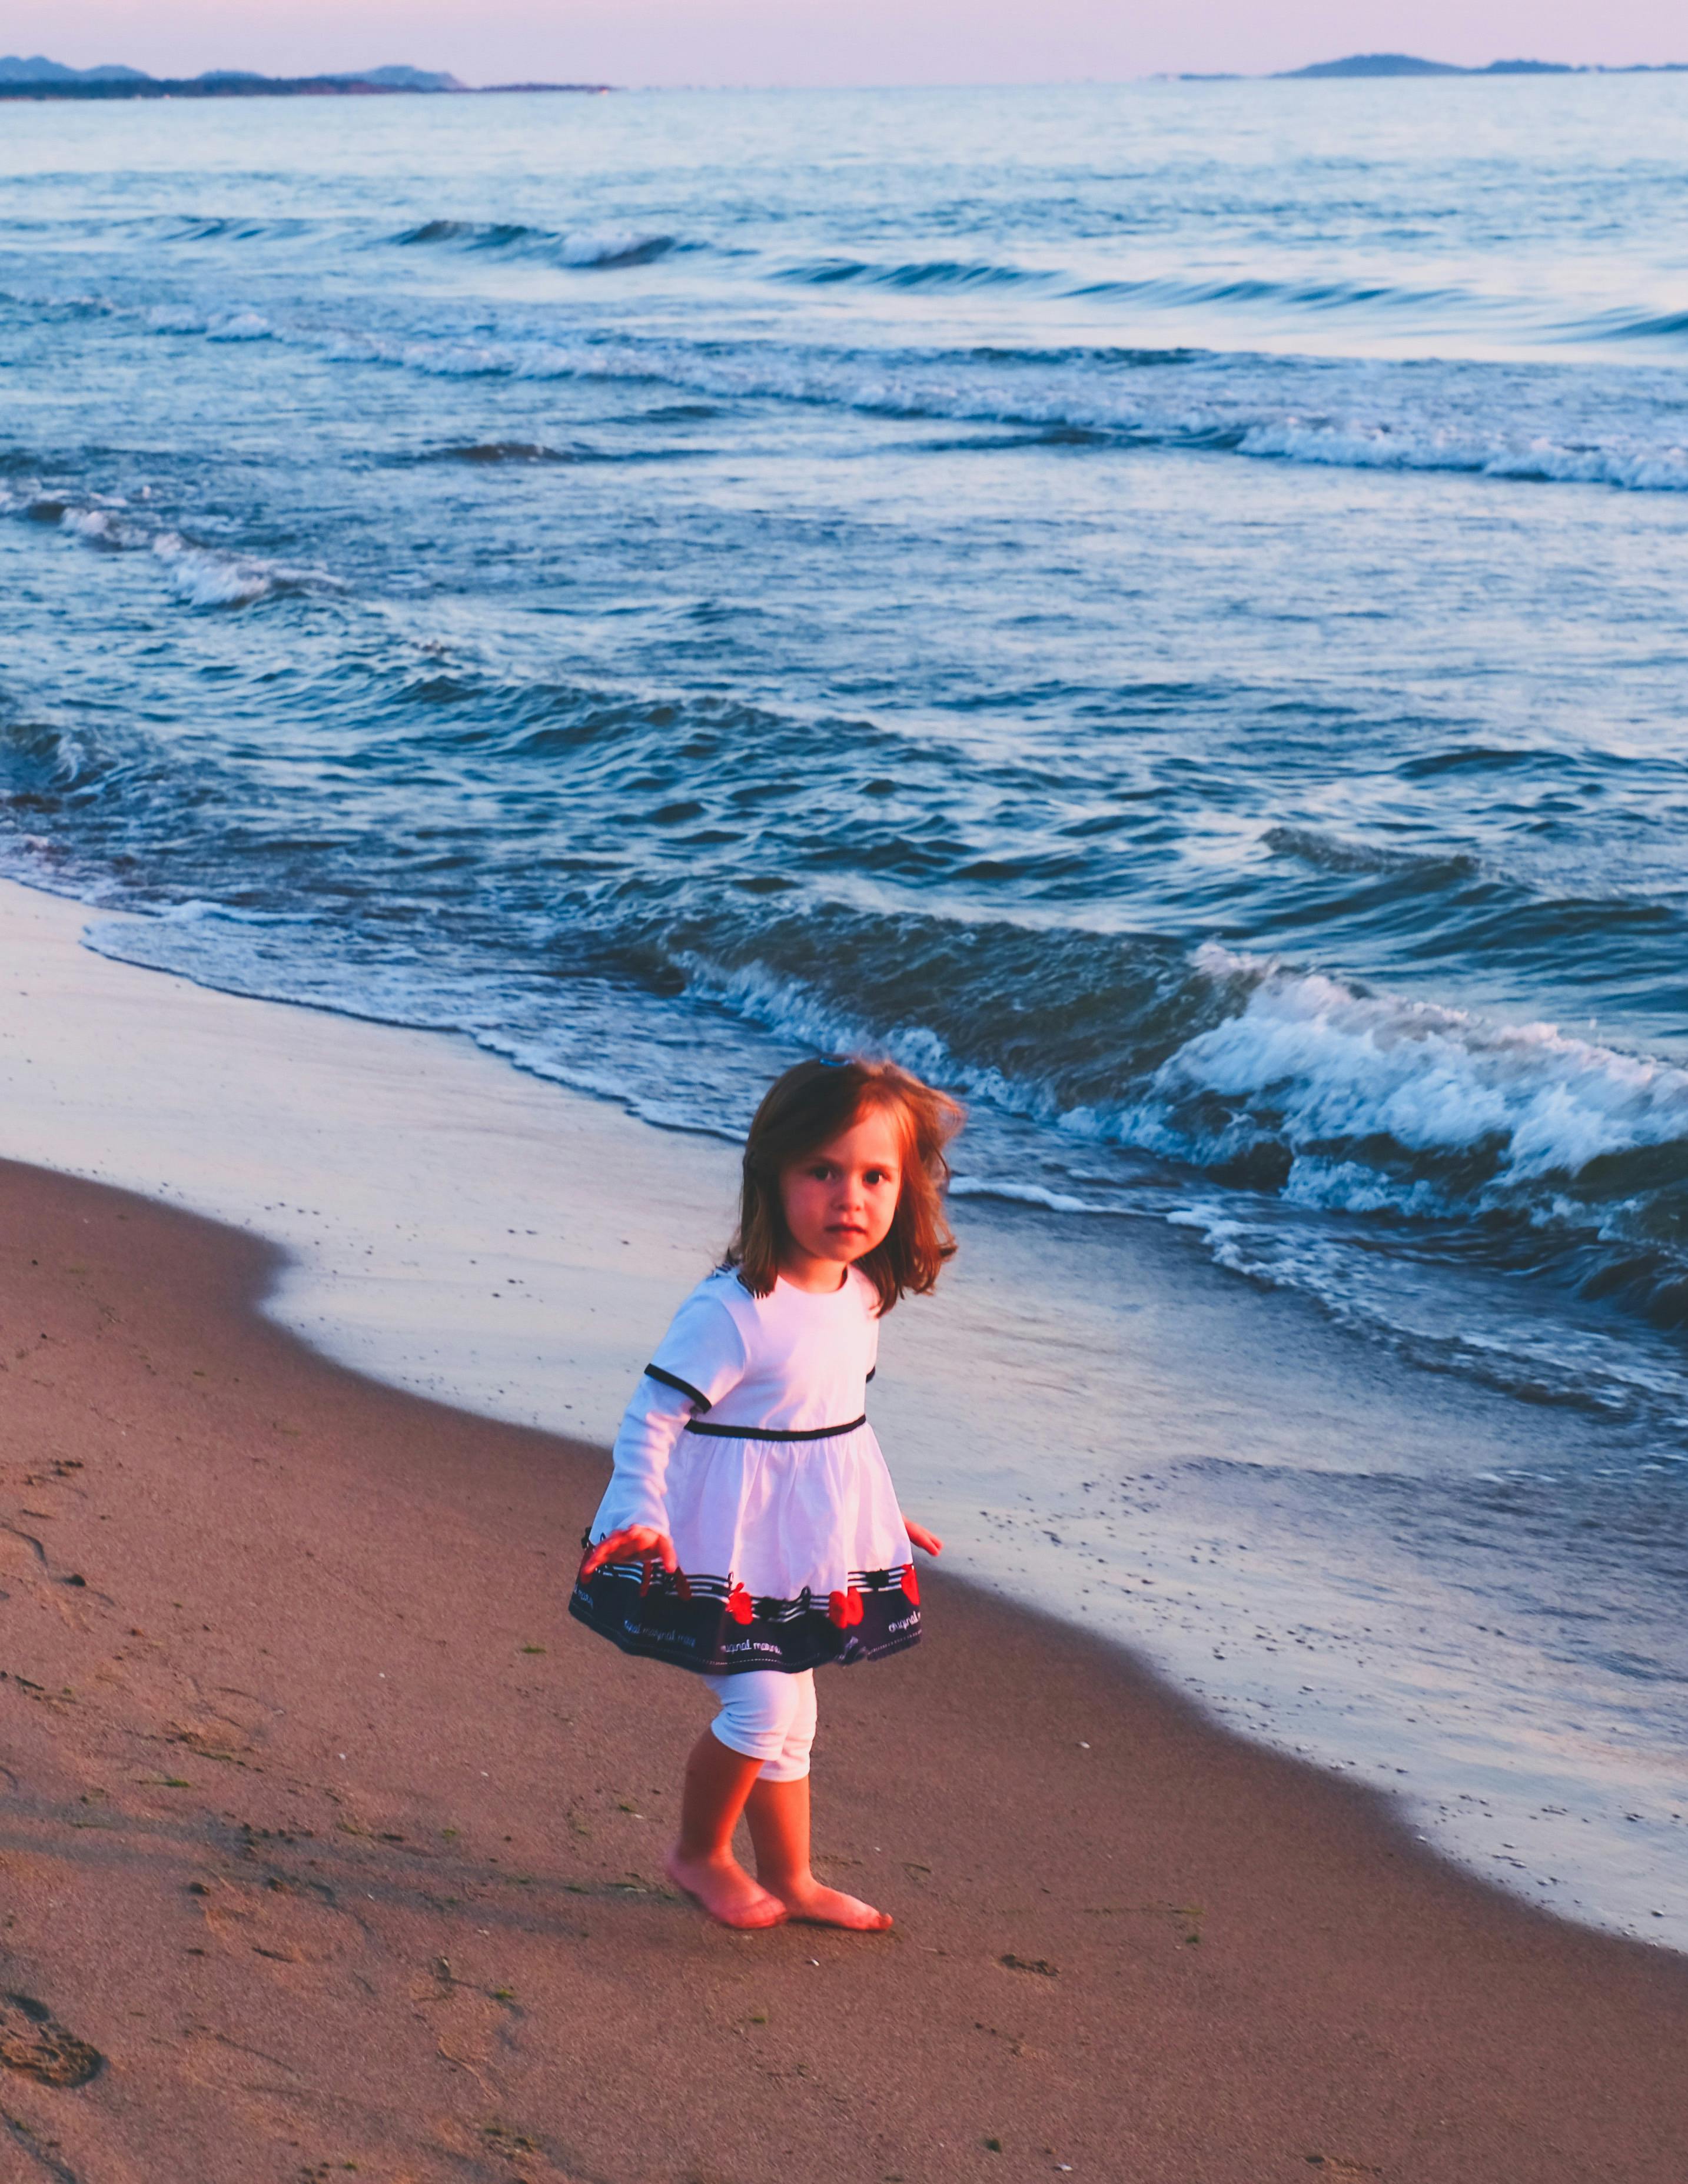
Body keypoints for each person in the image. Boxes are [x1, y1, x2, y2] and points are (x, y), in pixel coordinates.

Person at [571, 1055, 963, 1930]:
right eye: (822, 1172)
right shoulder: (737, 1307)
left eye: (874, 1177)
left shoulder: (862, 1296)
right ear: (772, 1176)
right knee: (764, 1702)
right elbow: (652, 1416)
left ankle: (791, 1877)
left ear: (906, 1190)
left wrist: (872, 1514)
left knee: (796, 1717)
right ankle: (698, 1854)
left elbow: (830, 1428)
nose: (849, 1198)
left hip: (796, 1540)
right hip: (708, 1536)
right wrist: (637, 1507)